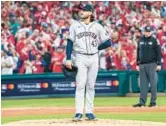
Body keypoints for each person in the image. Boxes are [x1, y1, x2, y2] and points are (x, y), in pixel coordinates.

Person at [65, 4, 112, 121]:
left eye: (84, 10)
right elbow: (70, 42)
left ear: (90, 13)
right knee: (80, 85)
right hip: (80, 57)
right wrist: (68, 58)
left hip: (94, 58)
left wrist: (97, 48)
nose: (82, 12)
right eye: (82, 10)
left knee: (91, 85)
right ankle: (79, 112)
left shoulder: (97, 26)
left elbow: (108, 42)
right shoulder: (75, 26)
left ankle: (89, 112)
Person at [133, 26, 162, 107]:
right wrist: (137, 63)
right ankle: (142, 102)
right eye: (146, 31)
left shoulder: (154, 40)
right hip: (142, 64)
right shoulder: (140, 40)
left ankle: (153, 102)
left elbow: (158, 52)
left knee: (153, 84)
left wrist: (159, 63)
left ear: (151, 32)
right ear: (144, 31)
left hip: (152, 64)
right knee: (143, 84)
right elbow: (138, 52)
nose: (147, 33)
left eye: (149, 31)